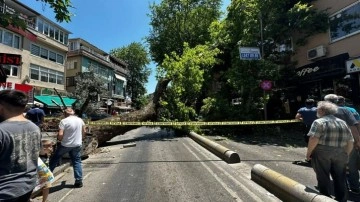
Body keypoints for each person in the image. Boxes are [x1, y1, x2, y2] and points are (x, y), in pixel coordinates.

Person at [306, 101, 354, 201]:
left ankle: (325, 199)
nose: (316, 111)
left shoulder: (319, 122)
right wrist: (346, 154)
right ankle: (341, 199)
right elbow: (350, 141)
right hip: (341, 152)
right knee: (340, 177)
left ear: (323, 110)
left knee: (323, 177)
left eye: (318, 109)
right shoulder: (343, 122)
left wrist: (308, 153)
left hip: (322, 152)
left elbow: (313, 139)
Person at [0, 90, 42, 201]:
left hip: (5, 191)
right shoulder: (35, 128)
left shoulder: (2, 130)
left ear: (1, 107)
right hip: (28, 185)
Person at [324, 94, 360, 194]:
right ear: (337, 101)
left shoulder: (323, 112)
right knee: (352, 166)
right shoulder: (345, 111)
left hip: (331, 144)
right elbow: (353, 127)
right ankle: (355, 187)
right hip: (348, 143)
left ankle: (342, 187)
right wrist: (358, 141)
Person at [49, 108, 86, 188]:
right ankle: (78, 181)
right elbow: (84, 131)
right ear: (73, 113)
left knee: (54, 159)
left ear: (65, 114)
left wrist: (59, 139)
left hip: (66, 145)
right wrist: (81, 139)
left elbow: (60, 134)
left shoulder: (64, 121)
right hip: (77, 144)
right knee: (76, 161)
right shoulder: (80, 120)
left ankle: (47, 178)